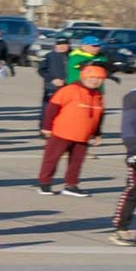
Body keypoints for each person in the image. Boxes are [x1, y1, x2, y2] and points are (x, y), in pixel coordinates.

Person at [40, 62, 108, 195]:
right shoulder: (69, 90)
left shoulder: (97, 95)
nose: (95, 81)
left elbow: (98, 115)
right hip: (62, 132)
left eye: (99, 79)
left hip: (83, 135)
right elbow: (52, 108)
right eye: (92, 78)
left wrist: (97, 133)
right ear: (84, 77)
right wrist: (46, 127)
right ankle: (45, 183)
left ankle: (71, 185)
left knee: (77, 161)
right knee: (52, 158)